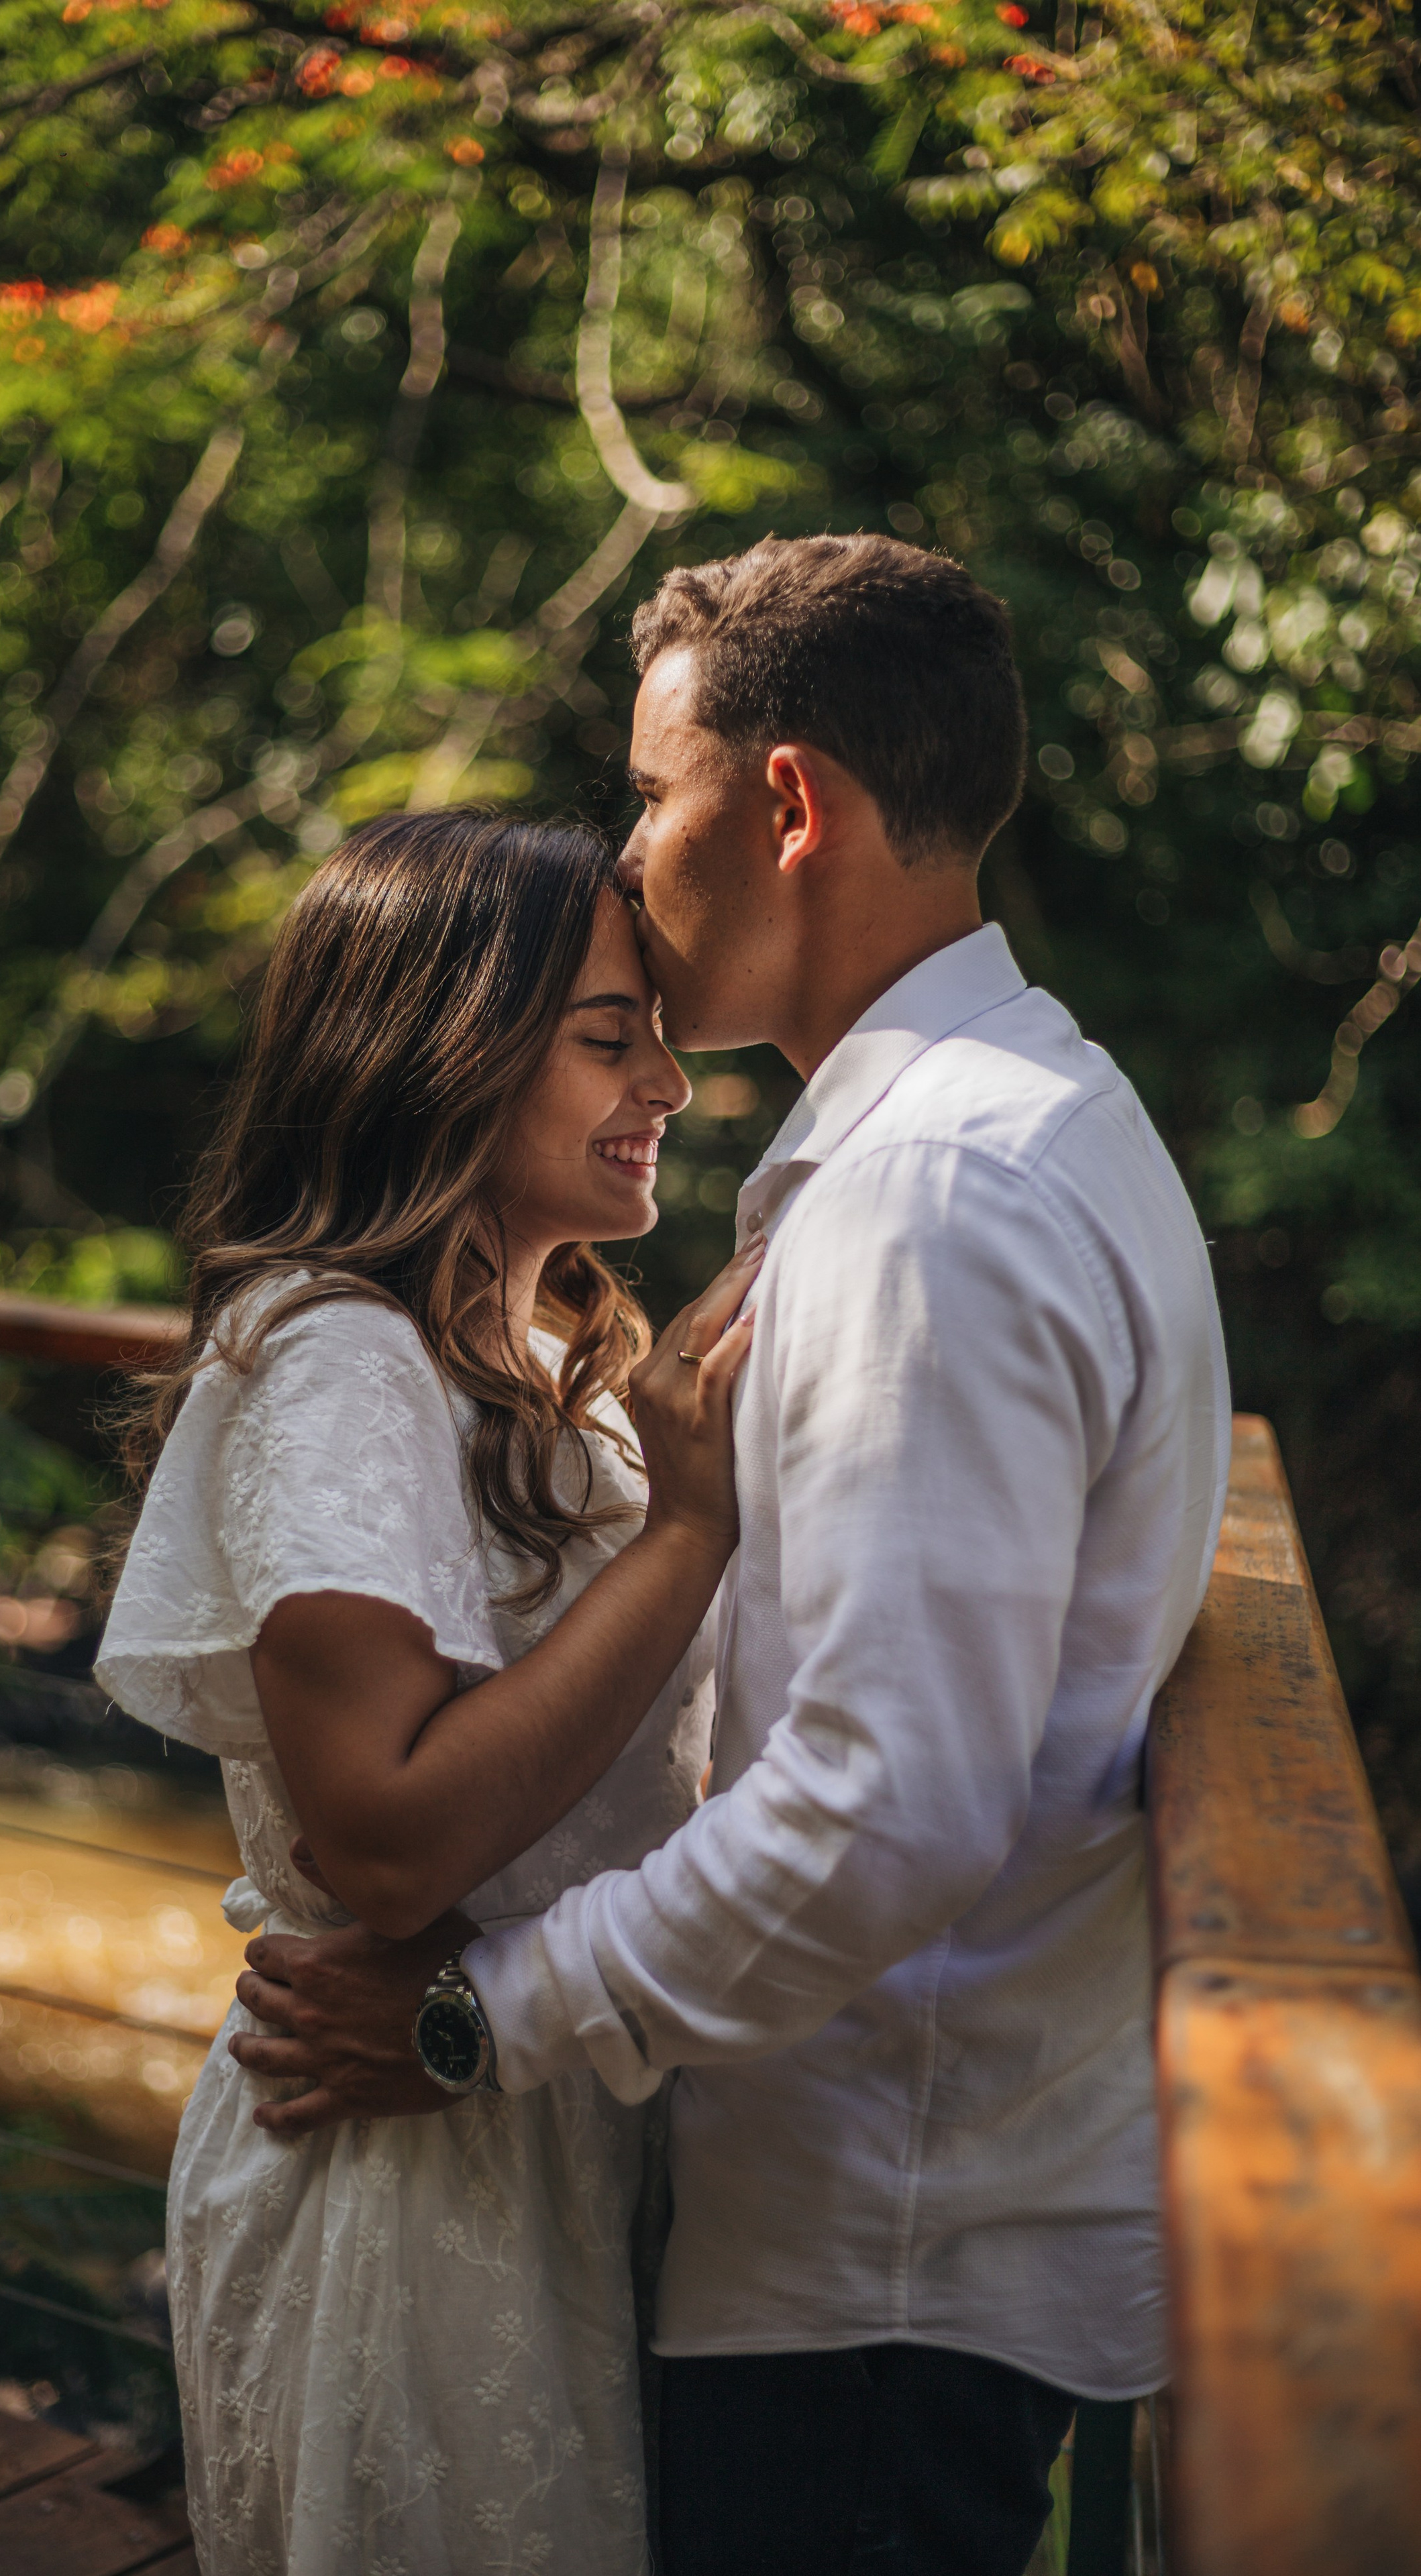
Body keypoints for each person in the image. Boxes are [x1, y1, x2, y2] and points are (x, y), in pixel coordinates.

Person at [229, 535, 1233, 2576]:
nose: (627, 849)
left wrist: (481, 2019)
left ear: (785, 804)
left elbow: (886, 1799)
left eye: (648, 790)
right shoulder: (1033, 1115)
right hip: (900, 2197)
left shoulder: (932, 1201)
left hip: (880, 2244)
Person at [95, 808, 760, 2575]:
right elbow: (384, 1846)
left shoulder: (551, 1359)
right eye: (610, 1039)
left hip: (547, 2113)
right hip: (396, 2174)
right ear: (446, 1053)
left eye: (658, 1037)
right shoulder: (341, 1361)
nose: (670, 1085)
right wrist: (690, 1536)